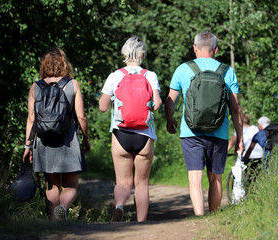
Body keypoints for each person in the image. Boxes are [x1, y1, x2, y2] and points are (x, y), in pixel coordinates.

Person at [165, 31, 244, 215]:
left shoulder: (183, 69)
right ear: (215, 49)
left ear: (195, 48)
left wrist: (170, 121)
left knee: (195, 177)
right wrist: (239, 137)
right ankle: (214, 217)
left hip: (191, 131)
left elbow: (170, 102)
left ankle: (199, 217)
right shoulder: (227, 71)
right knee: (215, 177)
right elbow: (236, 108)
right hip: (219, 132)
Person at [22, 47, 91, 220]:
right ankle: (62, 207)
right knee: (71, 186)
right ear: (64, 63)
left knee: (52, 186)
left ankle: (53, 223)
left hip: (44, 141)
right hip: (68, 140)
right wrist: (86, 139)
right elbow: (81, 116)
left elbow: (31, 119)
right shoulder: (72, 84)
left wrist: (27, 147)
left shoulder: (35, 87)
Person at [99, 36, 162, 222]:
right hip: (144, 134)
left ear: (123, 54)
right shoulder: (150, 75)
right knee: (141, 184)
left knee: (123, 182)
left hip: (121, 134)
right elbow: (157, 104)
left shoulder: (115, 76)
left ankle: (119, 206)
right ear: (142, 55)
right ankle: (141, 224)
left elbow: (103, 107)